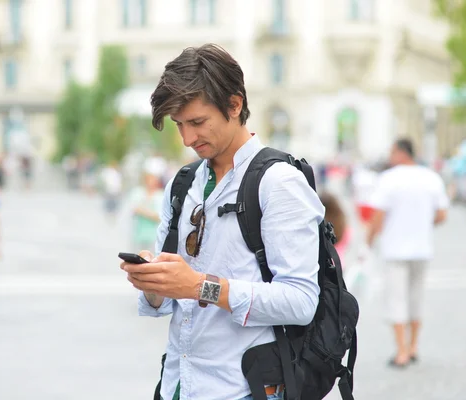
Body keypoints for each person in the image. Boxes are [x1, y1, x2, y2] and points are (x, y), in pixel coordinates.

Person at [119, 44, 324, 400]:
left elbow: (301, 301)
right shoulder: (183, 183)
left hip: (245, 388)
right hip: (178, 385)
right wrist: (153, 282)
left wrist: (200, 287)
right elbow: (169, 300)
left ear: (235, 105)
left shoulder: (279, 183)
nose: (187, 138)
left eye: (197, 122)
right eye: (179, 125)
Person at [367, 138, 449, 368]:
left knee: (397, 299)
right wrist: (422, 223)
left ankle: (401, 350)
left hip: (395, 248)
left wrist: (369, 241)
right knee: (416, 299)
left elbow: (377, 217)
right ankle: (413, 346)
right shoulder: (431, 177)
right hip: (422, 247)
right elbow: (442, 215)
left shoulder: (388, 179)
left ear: (400, 153)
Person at [127, 162, 165, 253]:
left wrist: (143, 211)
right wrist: (148, 213)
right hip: (138, 234)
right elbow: (133, 210)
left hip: (154, 236)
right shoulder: (138, 192)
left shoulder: (161, 195)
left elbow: (160, 217)